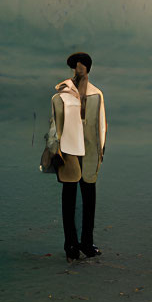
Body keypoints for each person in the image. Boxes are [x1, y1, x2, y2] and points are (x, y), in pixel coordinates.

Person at [46, 51, 107, 261]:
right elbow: (55, 124)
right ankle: (70, 244)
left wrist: (102, 149)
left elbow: (101, 124)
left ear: (88, 69)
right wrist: (55, 149)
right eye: (76, 66)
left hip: (90, 151)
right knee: (69, 197)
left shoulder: (96, 95)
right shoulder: (62, 95)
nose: (78, 70)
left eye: (82, 66)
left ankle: (87, 243)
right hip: (69, 150)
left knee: (89, 198)